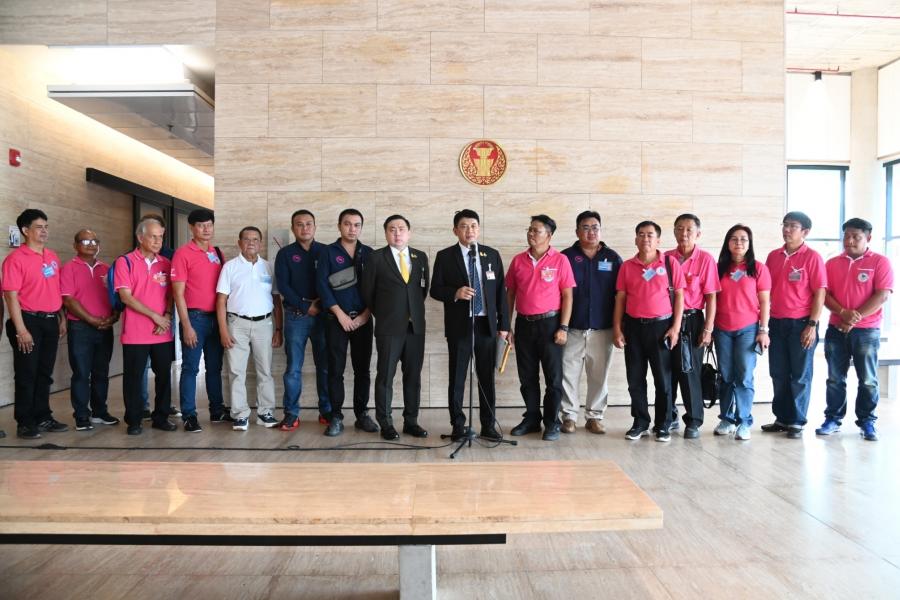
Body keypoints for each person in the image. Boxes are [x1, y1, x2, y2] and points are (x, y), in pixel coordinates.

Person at [430, 209, 510, 441]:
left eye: (473, 225)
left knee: (486, 377)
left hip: (486, 326)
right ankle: (458, 425)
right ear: (455, 230)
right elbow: (435, 289)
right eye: (464, 226)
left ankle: (488, 425)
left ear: (479, 229)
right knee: (457, 377)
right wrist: (455, 293)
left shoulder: (491, 255)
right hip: (460, 326)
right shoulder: (445, 256)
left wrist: (504, 325)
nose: (469, 230)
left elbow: (501, 293)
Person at [816, 218, 893, 442]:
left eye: (856, 237)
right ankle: (833, 419)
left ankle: (867, 421)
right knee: (834, 378)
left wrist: (852, 319)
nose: (849, 241)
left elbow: (882, 295)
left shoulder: (880, 262)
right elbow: (824, 294)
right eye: (847, 236)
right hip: (836, 329)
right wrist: (843, 312)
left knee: (867, 379)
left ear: (868, 238)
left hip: (866, 331)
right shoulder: (832, 263)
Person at [613, 221, 685, 443]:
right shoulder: (627, 266)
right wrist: (617, 328)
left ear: (658, 240)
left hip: (661, 328)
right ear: (636, 239)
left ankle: (663, 424)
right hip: (633, 328)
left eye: (650, 235)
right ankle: (640, 422)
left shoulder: (670, 263)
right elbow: (620, 299)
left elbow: (680, 296)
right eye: (641, 234)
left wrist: (675, 328)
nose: (646, 238)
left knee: (663, 380)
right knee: (635, 379)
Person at [505, 214, 575, 442]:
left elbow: (568, 295)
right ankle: (532, 419)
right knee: (527, 376)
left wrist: (563, 327)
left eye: (537, 230)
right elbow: (510, 294)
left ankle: (552, 422)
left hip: (551, 325)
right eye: (530, 229)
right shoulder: (518, 260)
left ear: (549, 235)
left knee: (553, 379)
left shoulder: (560, 260)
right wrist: (506, 326)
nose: (531, 234)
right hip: (524, 324)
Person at [361, 215, 430, 440]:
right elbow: (367, 292)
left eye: (401, 229)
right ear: (386, 233)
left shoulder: (420, 257)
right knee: (385, 377)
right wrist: (386, 313)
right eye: (392, 229)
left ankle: (411, 421)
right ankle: (386, 423)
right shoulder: (375, 258)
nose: (397, 233)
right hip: (389, 327)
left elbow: (422, 290)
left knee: (413, 377)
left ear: (409, 233)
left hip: (415, 327)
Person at [2, 208, 68, 439]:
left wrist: (61, 318)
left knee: (44, 373)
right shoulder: (15, 259)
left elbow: (55, 289)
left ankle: (43, 416)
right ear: (25, 230)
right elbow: (11, 297)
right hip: (27, 321)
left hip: (51, 321)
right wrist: (21, 330)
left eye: (46, 227)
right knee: (26, 374)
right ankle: (25, 422)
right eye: (39, 227)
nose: (44, 231)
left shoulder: (52, 256)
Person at [762, 211, 827, 439]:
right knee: (778, 373)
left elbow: (820, 293)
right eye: (785, 225)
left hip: (802, 324)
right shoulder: (773, 256)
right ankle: (782, 418)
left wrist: (812, 325)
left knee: (800, 375)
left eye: (793, 226)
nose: (787, 229)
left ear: (805, 232)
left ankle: (797, 422)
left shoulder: (813, 257)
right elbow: (765, 291)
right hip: (776, 323)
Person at [316, 209, 377, 437]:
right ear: (339, 226)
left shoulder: (369, 253)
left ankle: (362, 415)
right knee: (335, 370)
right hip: (336, 320)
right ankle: (336, 417)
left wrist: (365, 315)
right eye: (347, 224)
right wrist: (340, 314)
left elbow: (377, 288)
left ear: (361, 227)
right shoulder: (327, 252)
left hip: (363, 320)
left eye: (357, 225)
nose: (352, 229)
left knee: (363, 370)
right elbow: (322, 285)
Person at [114, 215, 178, 435]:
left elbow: (171, 294)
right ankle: (134, 420)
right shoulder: (125, 262)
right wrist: (155, 317)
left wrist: (166, 315)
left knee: (164, 377)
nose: (158, 241)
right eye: (153, 237)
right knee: (134, 377)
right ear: (140, 237)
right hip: (136, 332)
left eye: (160, 237)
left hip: (162, 332)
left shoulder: (166, 263)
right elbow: (126, 297)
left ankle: (161, 417)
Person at [215, 226, 283, 431]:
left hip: (265, 324)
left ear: (260, 243)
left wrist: (279, 329)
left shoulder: (268, 267)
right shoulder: (230, 267)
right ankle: (240, 415)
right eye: (246, 239)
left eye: (255, 239)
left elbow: (276, 300)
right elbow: (221, 301)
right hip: (237, 324)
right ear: (239, 243)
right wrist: (223, 330)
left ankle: (265, 412)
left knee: (265, 371)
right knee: (236, 371)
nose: (251, 243)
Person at [560, 210, 621, 435]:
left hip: (602, 328)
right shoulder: (565, 257)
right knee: (568, 374)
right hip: (572, 328)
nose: (591, 232)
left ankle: (594, 417)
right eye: (585, 228)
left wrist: (619, 327)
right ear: (577, 231)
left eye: (595, 227)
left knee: (599, 376)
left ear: (600, 230)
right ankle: (569, 416)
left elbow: (621, 295)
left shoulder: (612, 258)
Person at [711, 225, 771, 441]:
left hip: (748, 329)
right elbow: (711, 300)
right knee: (726, 376)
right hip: (722, 329)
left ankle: (744, 421)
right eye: (734, 239)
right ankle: (727, 419)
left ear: (749, 243)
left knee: (744, 376)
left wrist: (763, 330)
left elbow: (764, 302)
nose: (739, 243)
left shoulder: (759, 269)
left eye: (743, 239)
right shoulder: (718, 268)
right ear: (727, 243)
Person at [274, 209, 331, 431]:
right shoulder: (285, 254)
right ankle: (291, 413)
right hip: (295, 316)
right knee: (293, 368)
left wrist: (320, 305)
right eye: (299, 224)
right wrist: (306, 306)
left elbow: (332, 282)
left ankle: (326, 411)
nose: (304, 228)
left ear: (315, 227)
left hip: (323, 316)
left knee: (324, 366)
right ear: (293, 228)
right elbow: (283, 286)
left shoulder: (326, 251)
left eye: (308, 224)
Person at [664, 214, 720, 438]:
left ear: (698, 233)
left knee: (689, 371)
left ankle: (694, 421)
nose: (684, 233)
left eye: (689, 229)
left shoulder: (705, 259)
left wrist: (708, 329)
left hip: (692, 321)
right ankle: (668, 416)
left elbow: (711, 297)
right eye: (679, 228)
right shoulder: (666, 258)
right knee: (665, 371)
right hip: (665, 320)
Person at [171, 208, 226, 432]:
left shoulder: (217, 252)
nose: (206, 229)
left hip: (217, 318)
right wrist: (186, 325)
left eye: (209, 225)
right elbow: (177, 293)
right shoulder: (182, 254)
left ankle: (217, 410)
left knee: (214, 367)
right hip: (195, 318)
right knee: (190, 368)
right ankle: (189, 415)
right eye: (201, 225)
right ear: (191, 228)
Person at [60, 229, 119, 431]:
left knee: (101, 372)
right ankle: (81, 415)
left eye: (95, 241)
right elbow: (68, 300)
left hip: (105, 327)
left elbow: (116, 297)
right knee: (81, 373)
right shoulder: (69, 268)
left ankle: (100, 412)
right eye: (85, 241)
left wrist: (114, 316)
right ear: (75, 245)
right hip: (80, 328)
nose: (91, 244)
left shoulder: (107, 269)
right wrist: (92, 320)